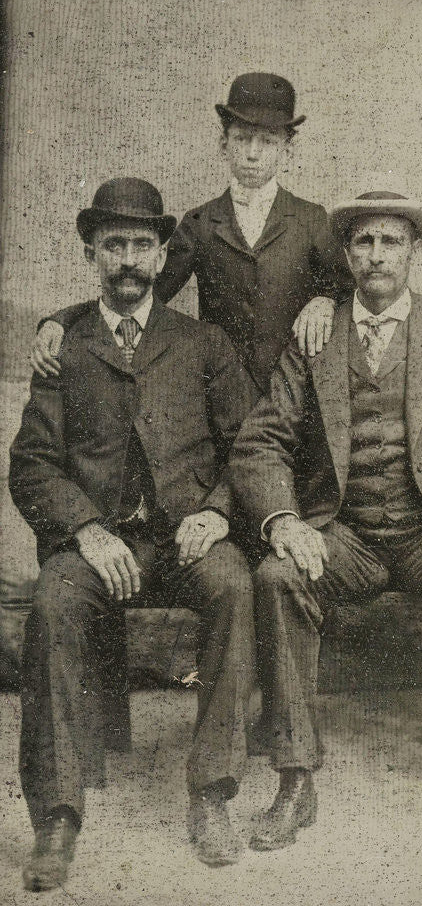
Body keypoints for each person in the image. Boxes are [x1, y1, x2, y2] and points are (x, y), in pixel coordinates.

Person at [228, 191, 422, 849]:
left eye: (390, 242)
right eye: (364, 242)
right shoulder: (315, 334)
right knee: (278, 575)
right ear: (346, 254)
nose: (377, 256)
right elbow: (261, 440)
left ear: (413, 251)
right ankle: (294, 777)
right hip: (345, 534)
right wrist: (285, 519)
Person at [9, 178, 259, 892]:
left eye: (140, 245)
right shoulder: (67, 347)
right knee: (54, 604)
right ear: (92, 252)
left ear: (160, 255)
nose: (126, 258)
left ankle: (212, 792)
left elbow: (251, 443)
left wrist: (216, 512)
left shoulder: (203, 343)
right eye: (113, 244)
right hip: (100, 547)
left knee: (236, 586)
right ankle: (57, 816)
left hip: (188, 540)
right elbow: (30, 464)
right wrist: (85, 528)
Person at [29, 72, 351, 391]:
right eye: (242, 138)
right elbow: (140, 293)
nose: (253, 153)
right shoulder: (200, 222)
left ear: (288, 150)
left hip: (293, 399)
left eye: (267, 141)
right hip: (221, 396)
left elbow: (350, 291)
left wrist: (325, 299)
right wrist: (62, 319)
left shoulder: (311, 219)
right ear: (223, 144)